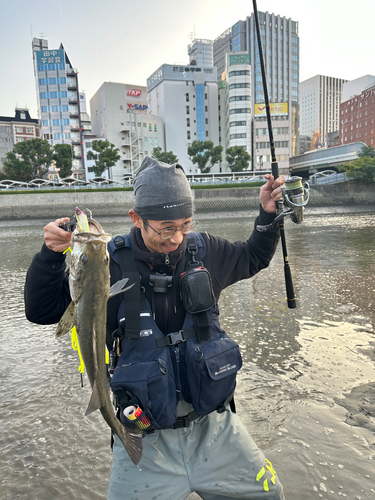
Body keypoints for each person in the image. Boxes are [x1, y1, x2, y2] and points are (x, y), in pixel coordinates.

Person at [25, 156, 286, 500]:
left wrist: (267, 214)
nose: (176, 237)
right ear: (137, 218)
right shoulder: (109, 262)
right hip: (143, 433)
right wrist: (49, 255)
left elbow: (254, 257)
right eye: (165, 228)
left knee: (270, 494)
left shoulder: (205, 251)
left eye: (185, 224)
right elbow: (41, 311)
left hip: (214, 425)